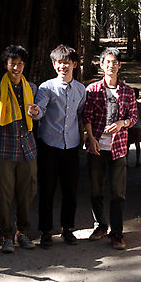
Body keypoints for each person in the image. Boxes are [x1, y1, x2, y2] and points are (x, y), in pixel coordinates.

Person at [0, 45, 40, 254]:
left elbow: (37, 114)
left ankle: (22, 232)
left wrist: (36, 112)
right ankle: (6, 235)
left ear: (24, 65)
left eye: (20, 64)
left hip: (28, 149)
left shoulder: (32, 88)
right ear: (5, 65)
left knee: (28, 192)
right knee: (4, 193)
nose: (16, 68)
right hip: (6, 149)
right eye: (12, 63)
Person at [31, 44, 87, 248]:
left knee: (70, 189)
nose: (63, 66)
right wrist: (35, 112)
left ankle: (67, 228)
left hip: (71, 145)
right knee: (47, 189)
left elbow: (80, 113)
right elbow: (40, 111)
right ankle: (46, 231)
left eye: (67, 63)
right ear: (54, 65)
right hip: (49, 145)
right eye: (59, 63)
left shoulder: (81, 89)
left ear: (74, 64)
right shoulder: (46, 87)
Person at [83, 48, 138, 250]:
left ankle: (117, 232)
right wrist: (91, 138)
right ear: (101, 64)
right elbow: (86, 116)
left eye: (115, 62)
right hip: (97, 147)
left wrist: (122, 123)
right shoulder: (93, 90)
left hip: (119, 148)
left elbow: (133, 118)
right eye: (108, 62)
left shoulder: (127, 92)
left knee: (118, 193)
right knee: (96, 190)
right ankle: (100, 225)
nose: (111, 65)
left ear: (119, 66)